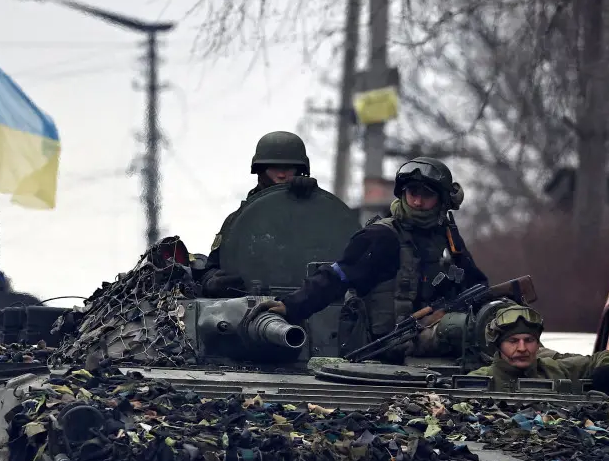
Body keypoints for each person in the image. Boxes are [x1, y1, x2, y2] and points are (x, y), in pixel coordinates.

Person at [250, 157, 486, 359]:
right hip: (387, 346)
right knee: (460, 328)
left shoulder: (446, 238)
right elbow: (337, 276)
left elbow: (476, 285)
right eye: (413, 193)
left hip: (433, 344)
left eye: (427, 195)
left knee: (484, 325)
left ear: (442, 201)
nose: (417, 202)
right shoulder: (382, 236)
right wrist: (291, 306)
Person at [198, 131, 319, 297]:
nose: (282, 175)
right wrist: (213, 281)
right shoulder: (240, 220)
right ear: (260, 170)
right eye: (274, 168)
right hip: (249, 307)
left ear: (300, 170)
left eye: (289, 168)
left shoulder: (316, 215)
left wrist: (313, 201)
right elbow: (210, 269)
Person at [468, 304, 609, 394]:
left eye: (529, 340)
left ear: (538, 343)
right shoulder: (478, 380)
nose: (522, 348)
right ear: (498, 345)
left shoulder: (555, 370)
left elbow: (605, 357)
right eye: (513, 341)